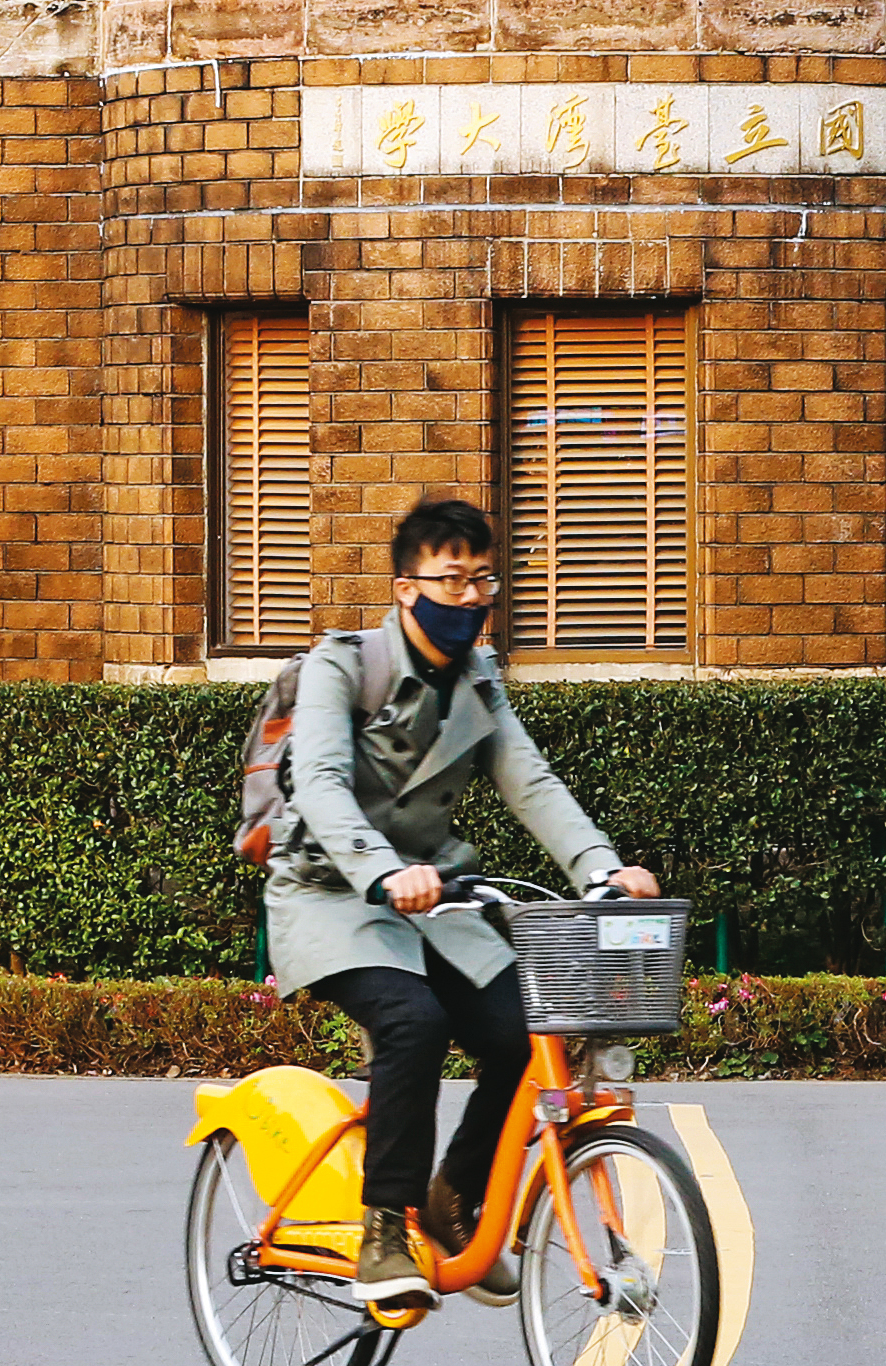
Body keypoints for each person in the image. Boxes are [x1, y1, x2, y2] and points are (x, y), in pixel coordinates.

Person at [267, 499, 657, 1302]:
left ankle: (454, 1196)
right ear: (406, 589)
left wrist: (602, 868)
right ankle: (385, 1226)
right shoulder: (341, 665)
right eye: (453, 580)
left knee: (528, 1030)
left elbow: (532, 783)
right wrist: (381, 870)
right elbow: (322, 784)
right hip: (333, 896)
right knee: (415, 1021)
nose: (472, 598)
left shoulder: (479, 682)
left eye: (485, 580)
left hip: (437, 903)